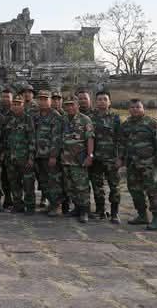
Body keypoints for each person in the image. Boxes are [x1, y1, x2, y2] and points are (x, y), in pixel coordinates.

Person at [121, 98, 157, 231]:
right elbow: (122, 143)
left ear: (143, 108)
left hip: (150, 164)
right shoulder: (126, 124)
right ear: (129, 109)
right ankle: (142, 215)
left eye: (138, 107)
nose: (135, 109)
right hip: (133, 164)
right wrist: (120, 158)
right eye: (132, 107)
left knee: (153, 191)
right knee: (134, 190)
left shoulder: (153, 123)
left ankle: (156, 218)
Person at [89, 91, 123, 223]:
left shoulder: (115, 118)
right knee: (97, 187)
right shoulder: (91, 117)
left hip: (111, 159)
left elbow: (120, 139)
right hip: (96, 159)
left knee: (114, 187)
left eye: (105, 99)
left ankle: (114, 213)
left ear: (109, 102)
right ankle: (100, 211)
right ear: (95, 102)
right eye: (99, 99)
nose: (102, 101)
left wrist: (119, 157)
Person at [60, 95, 94, 223]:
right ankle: (77, 208)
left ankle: (85, 211)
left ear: (78, 105)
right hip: (66, 158)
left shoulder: (85, 119)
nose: (69, 107)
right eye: (67, 105)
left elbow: (90, 138)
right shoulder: (63, 119)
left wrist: (90, 155)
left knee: (81, 186)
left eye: (72, 105)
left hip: (79, 159)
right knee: (70, 186)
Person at [32, 90, 64, 217]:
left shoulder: (55, 116)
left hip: (50, 156)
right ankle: (51, 204)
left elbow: (57, 138)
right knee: (43, 181)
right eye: (40, 99)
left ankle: (56, 206)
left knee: (54, 181)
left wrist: (53, 156)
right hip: (39, 155)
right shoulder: (36, 116)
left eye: (45, 99)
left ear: (50, 101)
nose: (42, 102)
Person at [3, 95, 36, 214]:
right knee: (14, 183)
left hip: (24, 157)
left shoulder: (28, 119)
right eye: (14, 104)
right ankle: (18, 205)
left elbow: (32, 140)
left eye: (19, 104)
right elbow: (5, 139)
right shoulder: (8, 119)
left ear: (23, 105)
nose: (16, 106)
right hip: (11, 158)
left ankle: (30, 206)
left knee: (28, 183)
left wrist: (31, 158)